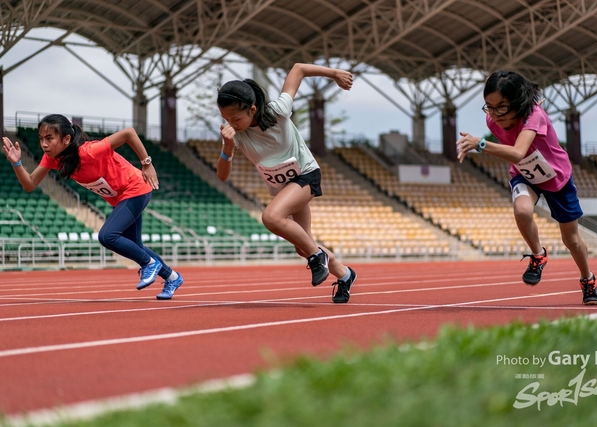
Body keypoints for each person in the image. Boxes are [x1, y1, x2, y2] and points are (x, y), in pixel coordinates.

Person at [455, 70, 597, 305]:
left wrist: (480, 144)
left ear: (517, 102)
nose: (495, 114)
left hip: (557, 178)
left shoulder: (535, 116)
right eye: (489, 107)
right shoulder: (492, 119)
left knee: (571, 240)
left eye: (502, 106)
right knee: (522, 210)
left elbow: (517, 151)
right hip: (525, 173)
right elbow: (516, 154)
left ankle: (588, 279)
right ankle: (538, 255)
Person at [215, 63, 356, 303]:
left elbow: (298, 69)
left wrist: (334, 74)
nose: (231, 124)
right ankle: (344, 274)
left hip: (306, 175)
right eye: (226, 118)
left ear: (252, 109)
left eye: (236, 118)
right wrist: (227, 148)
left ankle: (316, 257)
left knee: (271, 218)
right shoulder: (236, 136)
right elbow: (222, 175)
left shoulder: (278, 110)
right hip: (285, 188)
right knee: (303, 246)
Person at [2, 114, 183, 300]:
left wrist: (147, 164)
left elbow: (129, 133)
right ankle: (172, 277)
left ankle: (148, 263)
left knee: (108, 236)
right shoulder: (53, 159)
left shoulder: (89, 151)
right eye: (41, 139)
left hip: (136, 188)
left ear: (66, 139)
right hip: (121, 198)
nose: (44, 144)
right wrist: (17, 163)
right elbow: (30, 184)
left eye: (49, 138)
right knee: (135, 245)